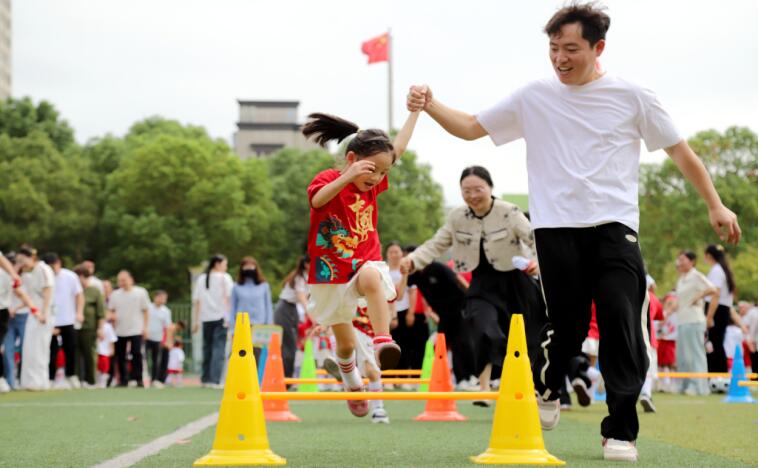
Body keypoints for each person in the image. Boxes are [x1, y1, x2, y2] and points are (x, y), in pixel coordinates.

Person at [406, 3, 741, 461]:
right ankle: (547, 385)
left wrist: (715, 203)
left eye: (571, 49)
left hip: (615, 227)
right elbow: (469, 128)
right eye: (553, 49)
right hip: (555, 229)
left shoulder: (632, 95)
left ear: (598, 47)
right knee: (565, 328)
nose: (560, 58)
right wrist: (429, 104)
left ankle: (620, 429)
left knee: (622, 323)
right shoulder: (533, 96)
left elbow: (681, 153)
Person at [302, 110, 419, 417]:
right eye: (373, 171)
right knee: (345, 345)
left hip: (362, 261)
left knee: (371, 276)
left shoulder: (374, 183)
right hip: (330, 274)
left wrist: (415, 112)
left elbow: (399, 149)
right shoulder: (329, 179)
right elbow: (317, 201)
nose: (378, 178)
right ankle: (352, 382)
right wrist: (349, 176)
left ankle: (383, 341)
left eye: (383, 173)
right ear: (352, 158)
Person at [400, 166, 545, 402]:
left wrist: (538, 264)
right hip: (482, 285)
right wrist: (413, 260)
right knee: (482, 327)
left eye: (478, 189)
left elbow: (535, 238)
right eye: (466, 191)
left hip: (516, 281)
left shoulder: (509, 212)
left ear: (490, 187)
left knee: (529, 337)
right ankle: (485, 388)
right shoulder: (457, 217)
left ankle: (532, 388)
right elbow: (436, 244)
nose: (473, 196)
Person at [324, 306, 391, 424]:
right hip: (345, 312)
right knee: (335, 329)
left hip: (365, 322)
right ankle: (344, 369)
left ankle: (378, 408)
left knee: (370, 370)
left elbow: (387, 298)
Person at [674, 251, 718, 396]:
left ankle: (698, 386)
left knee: (695, 354)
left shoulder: (696, 275)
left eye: (682, 259)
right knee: (683, 356)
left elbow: (713, 289)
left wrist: (699, 295)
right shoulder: (681, 279)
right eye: (678, 259)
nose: (679, 262)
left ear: (691, 261)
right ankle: (684, 385)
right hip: (682, 320)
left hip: (695, 320)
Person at [17, 246, 55, 391]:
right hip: (34, 313)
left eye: (23, 260)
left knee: (39, 347)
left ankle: (40, 381)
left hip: (43, 314)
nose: (22, 263)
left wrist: (44, 312)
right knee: (30, 347)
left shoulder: (43, 269)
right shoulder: (31, 273)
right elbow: (27, 296)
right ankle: (31, 380)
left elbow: (47, 291)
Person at [44, 253, 84, 389]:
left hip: (68, 319)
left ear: (58, 263)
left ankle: (71, 375)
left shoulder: (70, 276)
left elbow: (79, 295)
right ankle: (50, 378)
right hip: (51, 320)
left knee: (70, 349)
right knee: (51, 351)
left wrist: (79, 312)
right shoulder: (45, 277)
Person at [193, 254, 233, 388]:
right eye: (225, 264)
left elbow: (197, 301)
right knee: (219, 349)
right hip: (221, 317)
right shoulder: (225, 278)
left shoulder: (201, 279)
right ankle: (215, 380)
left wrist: (196, 321)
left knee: (207, 348)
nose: (226, 267)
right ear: (217, 264)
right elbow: (229, 299)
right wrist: (230, 318)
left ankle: (205, 379)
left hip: (206, 318)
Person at [0, 253, 35, 392]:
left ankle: (3, 379)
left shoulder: (6, 276)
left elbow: (20, 293)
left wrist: (33, 308)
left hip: (3, 311)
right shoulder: (8, 275)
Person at [108, 270, 150, 387]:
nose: (121, 282)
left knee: (136, 354)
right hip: (120, 330)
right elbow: (111, 310)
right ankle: (123, 379)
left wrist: (145, 327)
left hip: (136, 329)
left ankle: (138, 379)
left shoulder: (141, 292)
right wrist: (112, 318)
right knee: (120, 355)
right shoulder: (115, 295)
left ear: (130, 279)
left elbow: (146, 310)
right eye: (119, 280)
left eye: (123, 280)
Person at [702, 245, 736, 376]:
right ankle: (718, 375)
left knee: (714, 343)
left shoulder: (716, 270)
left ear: (709, 256)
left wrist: (709, 316)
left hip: (716, 310)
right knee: (716, 343)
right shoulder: (723, 270)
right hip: (722, 309)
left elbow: (715, 295)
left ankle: (718, 376)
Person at [274, 255, 310, 378]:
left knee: (292, 344)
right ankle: (285, 377)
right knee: (288, 344)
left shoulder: (308, 277)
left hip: (293, 308)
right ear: (306, 264)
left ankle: (287, 376)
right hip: (285, 308)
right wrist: (310, 314)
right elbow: (302, 297)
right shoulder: (299, 278)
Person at [387, 242, 415, 381]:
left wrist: (411, 312)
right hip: (385, 313)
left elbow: (403, 294)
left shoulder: (405, 271)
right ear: (387, 255)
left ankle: (403, 376)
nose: (394, 255)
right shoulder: (383, 271)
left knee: (404, 344)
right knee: (388, 347)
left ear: (401, 254)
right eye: (391, 252)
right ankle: (388, 377)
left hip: (402, 310)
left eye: (396, 252)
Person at [73, 264, 105, 388]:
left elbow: (101, 312)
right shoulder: (73, 291)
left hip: (89, 327)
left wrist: (100, 328)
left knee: (89, 354)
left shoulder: (95, 291)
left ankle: (90, 380)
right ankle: (76, 379)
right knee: (74, 354)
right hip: (74, 327)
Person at [230, 256, 273, 332]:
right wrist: (232, 328)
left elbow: (268, 306)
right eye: (246, 266)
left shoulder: (264, 285)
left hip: (260, 325)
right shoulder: (236, 286)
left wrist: (269, 324)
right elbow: (232, 307)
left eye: (251, 266)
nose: (249, 269)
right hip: (242, 325)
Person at [145, 290, 172, 388]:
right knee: (144, 359)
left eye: (164, 298)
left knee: (156, 360)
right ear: (155, 297)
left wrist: (168, 341)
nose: (162, 300)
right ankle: (143, 378)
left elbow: (168, 327)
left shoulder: (166, 311)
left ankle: (154, 380)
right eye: (160, 297)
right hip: (146, 337)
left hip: (158, 339)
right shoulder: (148, 308)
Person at [656, 294, 678, 393]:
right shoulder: (662, 314)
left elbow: (677, 331)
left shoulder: (677, 316)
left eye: (672, 304)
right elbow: (657, 326)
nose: (671, 306)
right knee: (660, 364)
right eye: (668, 303)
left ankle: (672, 384)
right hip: (661, 342)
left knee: (671, 364)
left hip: (670, 342)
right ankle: (661, 384)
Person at [96, 317, 118, 388]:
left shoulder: (108, 326)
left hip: (105, 351)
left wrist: (112, 349)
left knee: (105, 367)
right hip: (96, 351)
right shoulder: (95, 325)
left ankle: (103, 382)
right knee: (97, 367)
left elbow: (112, 339)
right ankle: (97, 381)